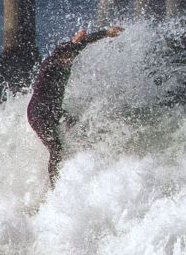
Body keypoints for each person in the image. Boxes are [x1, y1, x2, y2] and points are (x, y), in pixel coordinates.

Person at [27, 25, 123, 179]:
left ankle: (79, 161)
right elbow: (68, 48)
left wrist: (106, 33)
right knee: (56, 148)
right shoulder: (49, 65)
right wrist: (73, 42)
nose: (69, 60)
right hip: (38, 113)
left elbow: (85, 42)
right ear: (59, 56)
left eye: (71, 56)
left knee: (75, 124)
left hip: (54, 110)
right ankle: (54, 186)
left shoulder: (69, 56)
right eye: (66, 57)